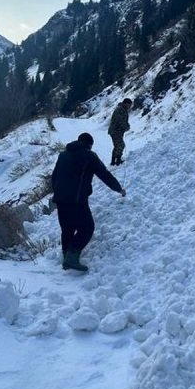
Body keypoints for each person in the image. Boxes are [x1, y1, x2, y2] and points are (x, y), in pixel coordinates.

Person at [50, 132, 125, 272]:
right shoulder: (89, 156)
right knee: (87, 228)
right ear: (89, 145)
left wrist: (58, 193)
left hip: (60, 199)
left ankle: (66, 259)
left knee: (67, 229)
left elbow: (54, 177)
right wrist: (119, 189)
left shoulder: (63, 155)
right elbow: (105, 175)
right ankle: (72, 257)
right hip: (77, 200)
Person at [107, 98, 132, 165]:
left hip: (119, 131)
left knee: (117, 145)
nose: (130, 106)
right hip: (115, 130)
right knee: (120, 145)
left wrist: (127, 125)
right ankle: (117, 160)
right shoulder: (119, 110)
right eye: (129, 105)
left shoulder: (123, 110)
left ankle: (114, 161)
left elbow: (124, 121)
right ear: (125, 104)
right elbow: (119, 121)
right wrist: (126, 126)